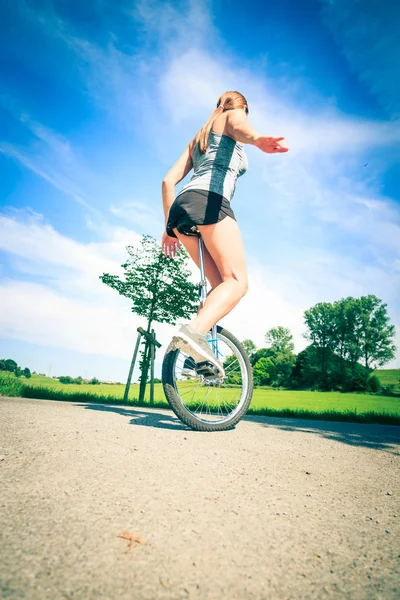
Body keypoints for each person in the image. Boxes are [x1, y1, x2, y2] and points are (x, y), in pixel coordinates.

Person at [161, 90, 288, 376]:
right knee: (238, 283)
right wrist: (257, 140)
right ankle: (193, 333)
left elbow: (168, 181)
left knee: (219, 288)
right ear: (241, 107)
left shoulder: (200, 137)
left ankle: (197, 358)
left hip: (183, 208)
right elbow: (241, 128)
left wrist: (170, 228)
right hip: (210, 201)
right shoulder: (233, 115)